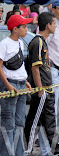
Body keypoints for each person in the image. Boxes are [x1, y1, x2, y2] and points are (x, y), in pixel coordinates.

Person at [24, 12, 59, 156]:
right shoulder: (38, 42)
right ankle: (27, 150)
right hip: (42, 91)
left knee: (49, 123)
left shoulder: (43, 41)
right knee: (34, 122)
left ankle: (57, 151)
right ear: (48, 25)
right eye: (54, 24)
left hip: (48, 89)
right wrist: (40, 89)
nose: (55, 26)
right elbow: (35, 68)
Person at [0, 14, 33, 156]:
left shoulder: (19, 43)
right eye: (24, 27)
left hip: (20, 85)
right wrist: (7, 85)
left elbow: (19, 66)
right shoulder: (4, 44)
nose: (26, 30)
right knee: (8, 124)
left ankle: (19, 153)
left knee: (20, 122)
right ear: (15, 29)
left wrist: (24, 80)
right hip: (10, 86)